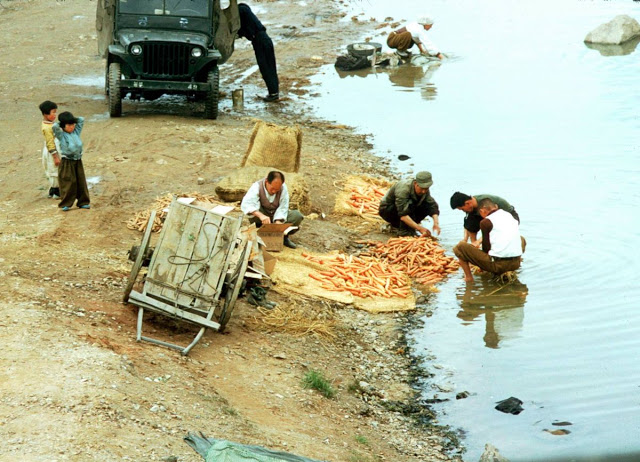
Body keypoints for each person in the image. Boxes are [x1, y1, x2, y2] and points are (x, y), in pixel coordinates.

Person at [453, 198, 525, 282]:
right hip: (516, 263)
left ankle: (468, 278)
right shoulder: (510, 216)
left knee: (459, 247)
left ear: (482, 211)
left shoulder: (486, 222)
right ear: (496, 206)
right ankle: (512, 267)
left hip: (498, 265)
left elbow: (486, 247)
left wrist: (477, 258)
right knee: (521, 238)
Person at [240, 170, 303, 249]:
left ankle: (283, 237)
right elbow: (247, 204)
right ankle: (260, 234)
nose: (274, 191)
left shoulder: (283, 188)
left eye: (277, 190)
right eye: (272, 188)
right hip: (261, 219)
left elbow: (283, 206)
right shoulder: (257, 186)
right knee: (253, 211)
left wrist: (278, 221)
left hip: (275, 215)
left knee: (297, 216)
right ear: (267, 182)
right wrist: (261, 216)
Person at [237, 3, 280, 102]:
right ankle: (274, 92)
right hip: (263, 40)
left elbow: (239, 29)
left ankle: (273, 94)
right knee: (270, 67)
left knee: (266, 67)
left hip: (260, 41)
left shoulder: (242, 11)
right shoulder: (249, 18)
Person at [378, 171, 440, 237]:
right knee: (410, 205)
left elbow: (432, 206)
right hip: (388, 210)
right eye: (422, 188)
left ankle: (405, 227)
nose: (424, 191)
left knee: (426, 205)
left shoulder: (424, 190)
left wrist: (436, 224)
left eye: (426, 189)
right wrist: (419, 228)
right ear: (416, 183)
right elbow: (403, 214)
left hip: (406, 211)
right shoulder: (403, 189)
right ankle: (404, 232)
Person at [52, 111, 90, 211]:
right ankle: (66, 203)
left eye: (73, 124)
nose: (72, 126)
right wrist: (62, 121)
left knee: (81, 182)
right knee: (68, 182)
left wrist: (72, 119)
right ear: (63, 126)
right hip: (67, 162)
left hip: (78, 161)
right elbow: (55, 126)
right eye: (69, 125)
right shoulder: (62, 135)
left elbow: (81, 120)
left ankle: (83, 202)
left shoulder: (76, 132)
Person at [450, 192, 520, 243]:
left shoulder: (486, 204)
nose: (463, 211)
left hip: (510, 217)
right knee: (471, 219)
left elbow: (494, 225)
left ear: (467, 203)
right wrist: (465, 239)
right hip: (489, 217)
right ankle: (474, 244)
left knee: (498, 236)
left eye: (462, 209)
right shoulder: (470, 207)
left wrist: (480, 241)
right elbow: (467, 223)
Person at [39, 100, 61, 199]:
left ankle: (54, 189)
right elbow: (50, 143)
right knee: (54, 169)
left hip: (54, 149)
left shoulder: (49, 124)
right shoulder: (48, 128)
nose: (55, 115)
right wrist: (55, 157)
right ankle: (56, 191)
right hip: (52, 151)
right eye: (53, 112)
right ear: (45, 114)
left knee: (55, 169)